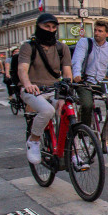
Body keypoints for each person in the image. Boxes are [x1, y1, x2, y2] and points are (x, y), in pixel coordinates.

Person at [17, 13, 74, 165]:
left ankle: (72, 151)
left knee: (70, 110)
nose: (50, 30)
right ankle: (34, 140)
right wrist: (28, 84)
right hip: (33, 90)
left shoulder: (62, 48)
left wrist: (67, 89)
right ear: (38, 27)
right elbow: (22, 69)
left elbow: (67, 72)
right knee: (47, 110)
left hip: (54, 89)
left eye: (53, 27)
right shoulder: (28, 47)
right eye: (46, 26)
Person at [71, 19, 108, 128]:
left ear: (107, 34)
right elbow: (77, 59)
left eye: (100, 31)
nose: (96, 33)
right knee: (87, 105)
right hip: (84, 81)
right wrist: (76, 74)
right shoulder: (85, 42)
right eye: (95, 30)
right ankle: (85, 131)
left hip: (100, 81)